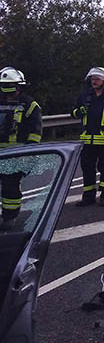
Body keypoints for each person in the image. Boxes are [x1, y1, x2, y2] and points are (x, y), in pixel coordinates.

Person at [71, 67, 104, 207]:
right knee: (87, 168)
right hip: (87, 140)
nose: (94, 81)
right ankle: (88, 197)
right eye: (92, 79)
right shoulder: (84, 96)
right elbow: (74, 112)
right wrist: (79, 112)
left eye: (97, 79)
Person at [0, 67, 42, 227]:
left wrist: (29, 151)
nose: (8, 93)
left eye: (11, 88)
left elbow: (35, 131)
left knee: (10, 188)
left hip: (16, 154)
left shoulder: (29, 105)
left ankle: (9, 217)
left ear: (19, 87)